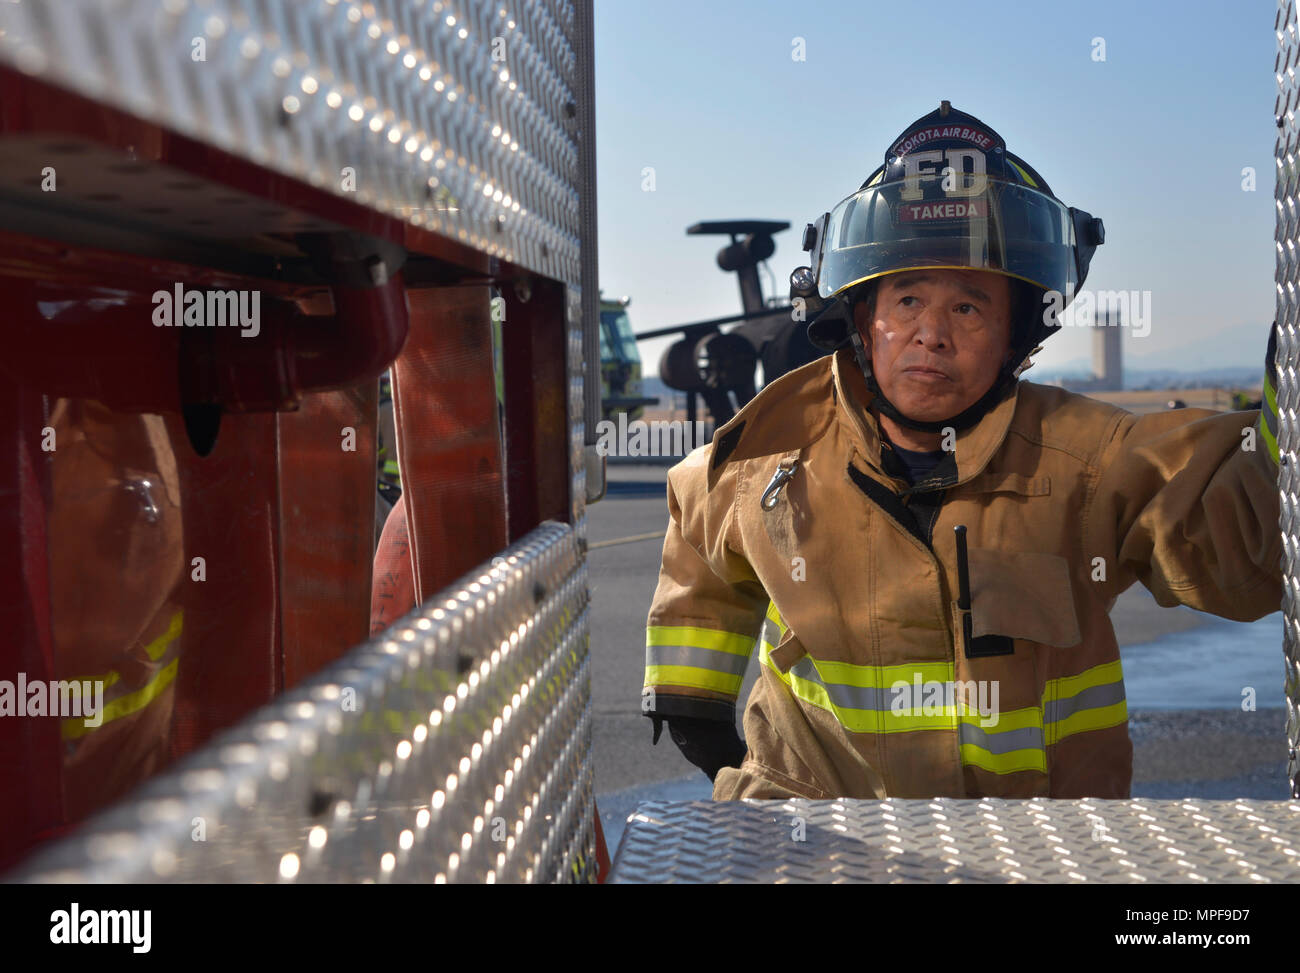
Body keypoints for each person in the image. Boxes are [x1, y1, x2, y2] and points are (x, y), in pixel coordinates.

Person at [640, 102, 1283, 800]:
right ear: (863, 316)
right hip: (813, 841)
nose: (932, 334)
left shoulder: (1091, 461)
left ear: (1017, 334)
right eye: (907, 300)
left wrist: (1287, 406)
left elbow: (1240, 539)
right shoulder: (765, 458)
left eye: (969, 307)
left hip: (1043, 844)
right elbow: (698, 525)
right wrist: (690, 693)